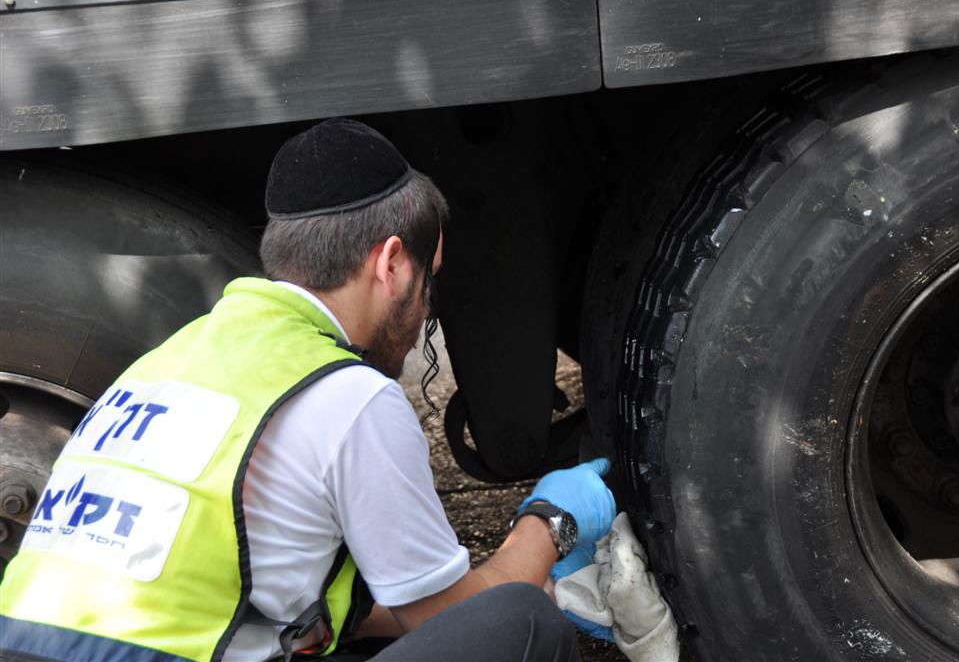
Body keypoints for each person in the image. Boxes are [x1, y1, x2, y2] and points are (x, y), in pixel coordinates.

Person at [0, 118, 616, 662]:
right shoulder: (351, 398)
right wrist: (549, 522)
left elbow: (265, 599)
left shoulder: (165, 363)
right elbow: (457, 619)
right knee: (522, 622)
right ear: (391, 264)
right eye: (429, 280)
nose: (427, 308)